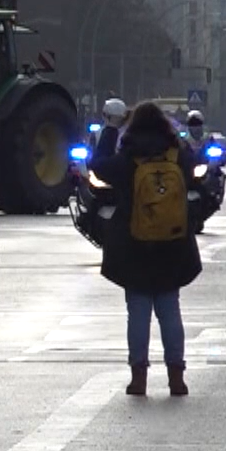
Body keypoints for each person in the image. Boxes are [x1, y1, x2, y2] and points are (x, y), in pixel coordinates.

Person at [89, 101, 203, 397]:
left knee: (138, 311)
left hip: (135, 244)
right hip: (173, 244)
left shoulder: (129, 157)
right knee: (170, 309)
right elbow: (196, 170)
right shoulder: (176, 153)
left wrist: (111, 129)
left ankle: (139, 377)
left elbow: (98, 167)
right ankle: (176, 377)